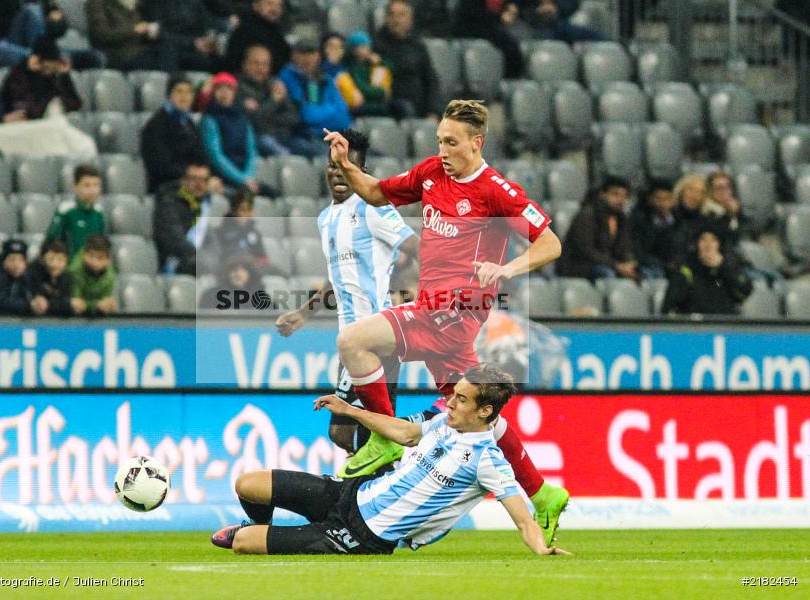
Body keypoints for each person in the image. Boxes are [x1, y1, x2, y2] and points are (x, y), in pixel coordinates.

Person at [324, 99, 568, 544]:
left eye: (452, 143)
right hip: (438, 314)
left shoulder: (497, 191)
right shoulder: (431, 174)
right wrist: (345, 165)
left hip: (453, 310)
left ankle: (383, 436)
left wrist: (507, 270)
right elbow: (378, 192)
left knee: (354, 340)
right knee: (476, 413)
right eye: (439, 141)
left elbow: (550, 243)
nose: (443, 151)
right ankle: (542, 491)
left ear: (477, 143)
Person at [211, 365, 571, 557]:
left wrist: (540, 547)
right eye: (453, 396)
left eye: (461, 400)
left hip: (360, 535)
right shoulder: (442, 425)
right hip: (349, 493)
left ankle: (252, 533)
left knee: (242, 544)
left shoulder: (488, 461)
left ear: (485, 411)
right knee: (247, 484)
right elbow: (401, 432)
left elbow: (523, 519)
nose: (451, 403)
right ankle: (253, 524)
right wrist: (349, 409)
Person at [276, 129, 418, 455]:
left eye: (346, 168)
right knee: (355, 433)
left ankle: (375, 488)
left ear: (361, 172)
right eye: (333, 168)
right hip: (351, 341)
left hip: (378, 335)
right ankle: (377, 485)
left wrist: (419, 294)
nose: (338, 174)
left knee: (349, 430)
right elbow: (335, 278)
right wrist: (303, 313)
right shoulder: (326, 219)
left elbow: (417, 247)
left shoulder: (374, 208)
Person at [200, 72, 277, 198]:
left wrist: (248, 176)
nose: (224, 92)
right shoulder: (210, 119)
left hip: (244, 175)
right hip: (223, 176)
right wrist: (242, 179)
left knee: (273, 195)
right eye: (220, 88)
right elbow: (216, 156)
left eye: (229, 88)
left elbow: (251, 151)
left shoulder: (243, 117)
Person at [556, 176, 639, 281]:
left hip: (607, 263)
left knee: (643, 273)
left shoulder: (621, 218)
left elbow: (624, 247)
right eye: (615, 194)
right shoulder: (587, 215)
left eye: (624, 196)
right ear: (603, 194)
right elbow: (586, 251)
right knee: (607, 274)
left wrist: (629, 262)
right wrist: (616, 265)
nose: (620, 200)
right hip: (578, 266)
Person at [141, 73, 211, 193]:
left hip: (192, 182)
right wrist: (189, 173)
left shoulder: (189, 123)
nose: (184, 97)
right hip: (166, 188)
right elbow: (160, 166)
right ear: (169, 95)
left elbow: (201, 154)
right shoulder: (156, 125)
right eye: (179, 91)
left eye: (189, 92)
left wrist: (204, 174)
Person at [280, 39, 352, 155]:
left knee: (368, 155)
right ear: (294, 55)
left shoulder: (326, 79)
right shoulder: (287, 78)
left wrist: (322, 112)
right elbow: (307, 116)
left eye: (311, 53)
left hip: (333, 136)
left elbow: (344, 117)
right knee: (331, 159)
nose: (307, 58)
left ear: (318, 56)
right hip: (302, 137)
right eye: (302, 53)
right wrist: (331, 108)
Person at [661, 225, 753, 316]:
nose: (708, 245)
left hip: (725, 326)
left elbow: (745, 291)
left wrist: (722, 267)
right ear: (696, 244)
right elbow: (669, 306)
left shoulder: (729, 268)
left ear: (720, 245)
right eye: (703, 239)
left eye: (713, 240)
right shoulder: (686, 271)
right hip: (693, 326)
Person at [373, 0, 442, 119]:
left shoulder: (418, 46)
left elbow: (430, 80)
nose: (396, 20)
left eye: (401, 15)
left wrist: (433, 111)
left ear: (410, 19)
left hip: (420, 107)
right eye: (392, 14)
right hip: (392, 108)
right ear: (386, 18)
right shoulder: (375, 45)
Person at [235, 45, 303, 158]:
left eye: (265, 64)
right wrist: (274, 101)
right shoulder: (237, 87)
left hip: (284, 136)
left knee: (322, 153)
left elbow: (294, 117)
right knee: (287, 157)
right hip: (256, 139)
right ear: (244, 64)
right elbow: (253, 122)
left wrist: (265, 115)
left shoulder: (274, 85)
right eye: (256, 63)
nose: (260, 69)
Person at [153, 161, 217, 276]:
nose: (199, 184)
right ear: (183, 181)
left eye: (204, 180)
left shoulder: (207, 205)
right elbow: (173, 238)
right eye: (194, 179)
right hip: (177, 263)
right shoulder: (169, 202)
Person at [1, 36, 82, 119]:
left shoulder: (56, 76)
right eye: (47, 68)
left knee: (57, 106)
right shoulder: (18, 76)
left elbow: (76, 105)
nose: (50, 73)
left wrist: (65, 77)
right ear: (35, 61)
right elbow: (30, 112)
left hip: (50, 122)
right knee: (54, 106)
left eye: (54, 69)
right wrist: (34, 74)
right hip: (24, 125)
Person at [85, 0, 177, 71]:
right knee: (164, 58)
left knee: (168, 48)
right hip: (119, 55)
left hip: (140, 52)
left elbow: (140, 33)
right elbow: (102, 35)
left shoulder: (132, 6)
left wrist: (149, 33)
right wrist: (134, 30)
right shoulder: (98, 3)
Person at [46, 164, 106, 260]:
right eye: (87, 185)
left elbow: (102, 245)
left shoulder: (98, 212)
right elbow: (52, 243)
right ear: (76, 186)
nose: (92, 190)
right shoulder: (66, 210)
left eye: (96, 185)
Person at [141, 0, 222, 71]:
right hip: (166, 47)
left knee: (216, 57)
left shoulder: (194, 3)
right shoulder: (155, 3)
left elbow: (207, 23)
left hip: (193, 48)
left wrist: (205, 40)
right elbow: (158, 33)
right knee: (168, 50)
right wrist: (192, 43)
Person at [452, 1, 524, 79]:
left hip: (487, 27)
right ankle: (509, 78)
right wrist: (500, 17)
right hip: (470, 30)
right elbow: (474, 16)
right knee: (508, 45)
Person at [224, 0, 290, 74]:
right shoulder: (245, 30)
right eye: (269, 4)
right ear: (256, 6)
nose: (275, 9)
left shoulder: (276, 32)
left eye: (279, 6)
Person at [214, 189, 271, 272]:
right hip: (231, 272)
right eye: (243, 210)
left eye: (250, 210)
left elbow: (263, 258)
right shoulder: (220, 233)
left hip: (253, 271)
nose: (248, 215)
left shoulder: (255, 233)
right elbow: (219, 259)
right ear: (233, 212)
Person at [629, 180, 678, 279]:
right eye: (658, 198)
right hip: (651, 266)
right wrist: (663, 265)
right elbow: (639, 251)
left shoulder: (680, 221)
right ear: (650, 199)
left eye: (667, 199)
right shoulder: (639, 221)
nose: (663, 203)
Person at [342, 31, 396, 118]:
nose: (363, 50)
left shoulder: (372, 64)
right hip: (362, 102)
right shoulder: (352, 67)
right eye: (359, 47)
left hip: (377, 100)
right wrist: (382, 92)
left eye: (365, 46)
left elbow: (392, 69)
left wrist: (380, 62)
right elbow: (361, 87)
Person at [516, 0, 608, 44]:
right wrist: (537, 11)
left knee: (601, 39)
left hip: (558, 24)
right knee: (549, 45)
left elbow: (573, 4)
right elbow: (516, 9)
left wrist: (556, 7)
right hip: (531, 26)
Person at [69, 234, 118, 316]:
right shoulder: (74, 270)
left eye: (100, 258)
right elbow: (76, 303)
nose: (94, 262)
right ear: (84, 254)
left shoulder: (110, 276)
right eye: (91, 256)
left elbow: (105, 303)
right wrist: (96, 305)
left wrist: (105, 305)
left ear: (108, 260)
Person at [25, 238, 75, 316]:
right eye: (51, 259)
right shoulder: (30, 273)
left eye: (60, 260)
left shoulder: (68, 278)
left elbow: (69, 303)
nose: (55, 264)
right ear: (41, 258)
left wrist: (49, 305)